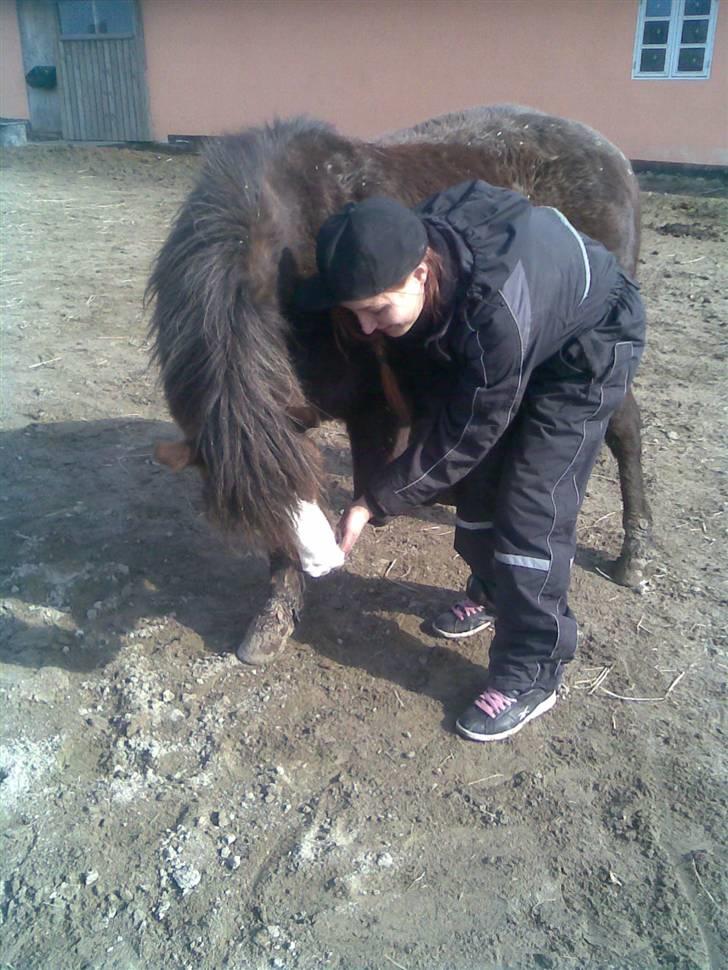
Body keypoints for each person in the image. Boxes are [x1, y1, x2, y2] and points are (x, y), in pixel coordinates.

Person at [295, 180, 645, 742]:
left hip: (588, 343)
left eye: (377, 310)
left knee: (534, 504)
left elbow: (470, 429)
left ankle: (534, 670)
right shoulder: (409, 255)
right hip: (520, 330)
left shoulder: (494, 312)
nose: (365, 328)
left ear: (421, 274)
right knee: (478, 484)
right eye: (353, 314)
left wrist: (373, 500)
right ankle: (489, 590)